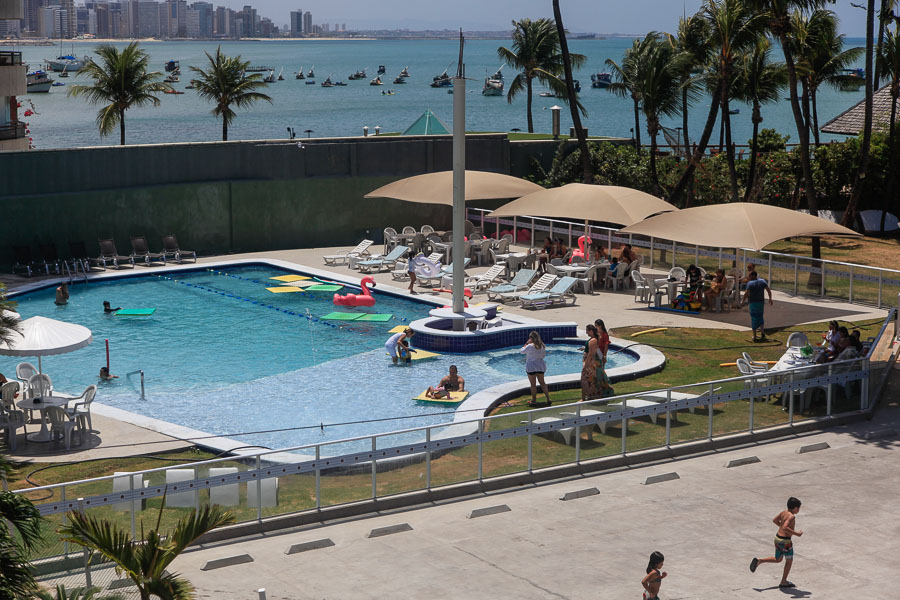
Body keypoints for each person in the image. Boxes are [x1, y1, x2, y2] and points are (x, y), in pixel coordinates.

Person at [750, 497, 803, 589]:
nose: (798, 510)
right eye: (798, 508)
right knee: (789, 561)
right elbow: (785, 527)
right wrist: (796, 533)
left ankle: (760, 561)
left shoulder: (783, 512)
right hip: (786, 541)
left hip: (778, 539)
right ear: (795, 508)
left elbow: (775, 520)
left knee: (778, 559)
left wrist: (782, 526)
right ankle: (783, 581)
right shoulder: (791, 516)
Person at [581, 322, 614, 401]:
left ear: (591, 331)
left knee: (587, 380)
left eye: (587, 331)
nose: (586, 332)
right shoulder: (594, 339)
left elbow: (591, 354)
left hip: (591, 363)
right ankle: (590, 396)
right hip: (592, 363)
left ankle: (585, 398)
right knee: (591, 380)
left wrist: (585, 365)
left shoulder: (593, 341)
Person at [521, 331, 551, 406]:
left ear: (531, 338)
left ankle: (534, 400)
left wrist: (526, 343)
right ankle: (548, 398)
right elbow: (543, 356)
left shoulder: (530, 346)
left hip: (531, 366)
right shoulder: (542, 346)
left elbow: (522, 351)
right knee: (542, 382)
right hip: (540, 365)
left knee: (533, 384)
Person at [742, 271, 773, 342]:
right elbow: (768, 290)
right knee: (760, 317)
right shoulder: (762, 281)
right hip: (761, 303)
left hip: (753, 303)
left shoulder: (750, 283)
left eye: (749, 275)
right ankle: (762, 332)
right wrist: (770, 299)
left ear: (753, 276)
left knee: (754, 318)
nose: (748, 277)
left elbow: (746, 293)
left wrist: (743, 301)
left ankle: (755, 336)